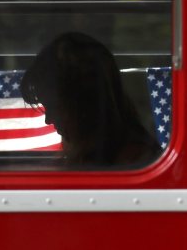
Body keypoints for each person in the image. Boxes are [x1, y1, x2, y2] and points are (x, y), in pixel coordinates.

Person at [20, 32, 160, 167]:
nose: (48, 119)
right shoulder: (85, 154)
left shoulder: (132, 162)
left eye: (55, 107)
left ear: (85, 106)